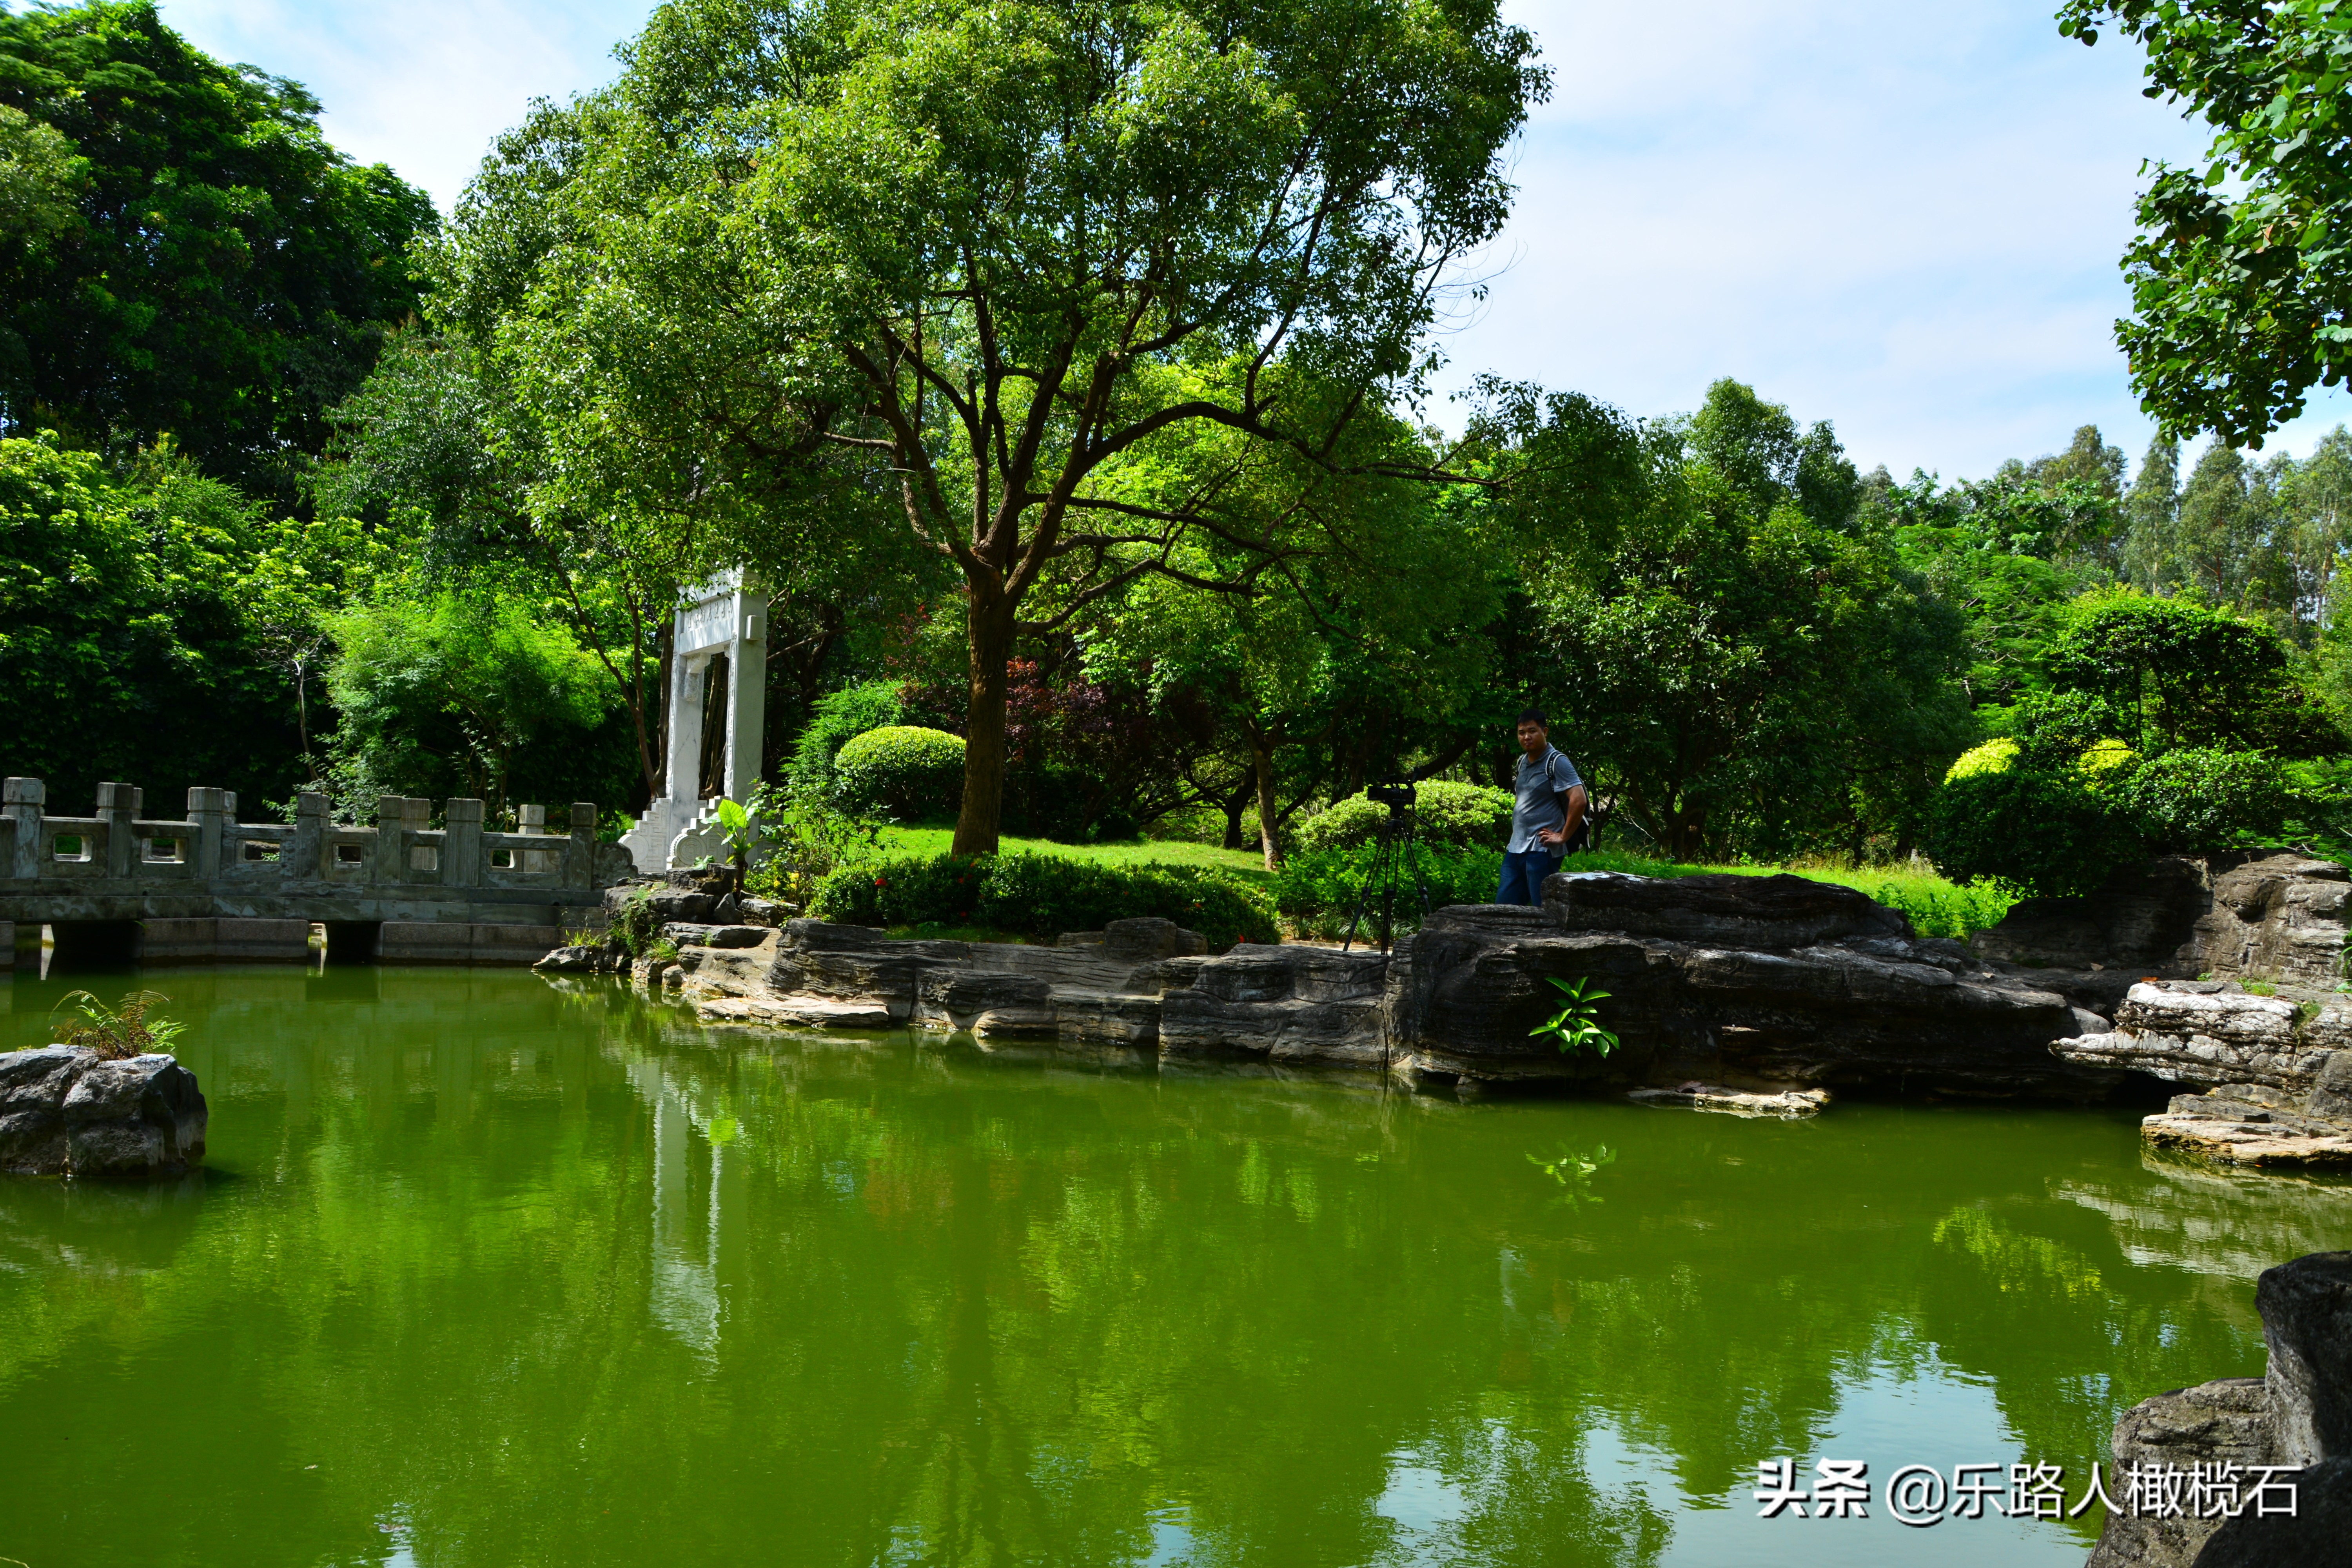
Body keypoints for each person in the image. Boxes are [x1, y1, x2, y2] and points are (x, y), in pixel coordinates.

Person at [1497, 708, 1586, 906]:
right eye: (1522, 733)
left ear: (1545, 732)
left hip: (1542, 850)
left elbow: (1579, 799)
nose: (1527, 737)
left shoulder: (1557, 761)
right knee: (1504, 909)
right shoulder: (1522, 762)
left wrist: (1563, 836)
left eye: (1532, 731)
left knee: (1543, 910)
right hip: (1516, 848)